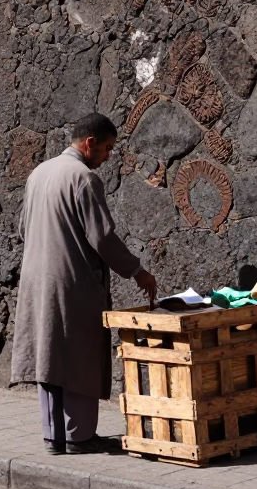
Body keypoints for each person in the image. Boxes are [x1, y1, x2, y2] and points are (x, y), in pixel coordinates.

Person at [12, 113, 158, 455]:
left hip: (36, 281)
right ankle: (78, 436)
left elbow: (23, 229)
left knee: (48, 355)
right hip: (71, 282)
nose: (108, 156)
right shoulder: (83, 179)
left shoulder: (38, 173)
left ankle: (54, 436)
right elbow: (102, 238)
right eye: (107, 148)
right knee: (79, 355)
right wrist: (138, 271)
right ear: (89, 143)